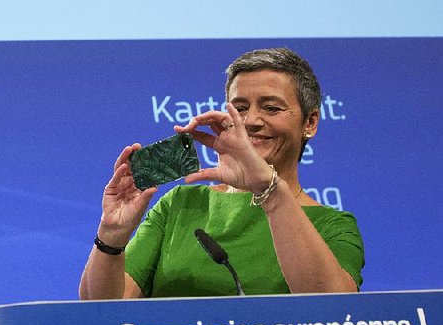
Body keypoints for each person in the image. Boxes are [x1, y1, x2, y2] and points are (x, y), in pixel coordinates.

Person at [79, 47, 364, 299]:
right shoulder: (180, 204)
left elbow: (335, 316)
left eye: (271, 108)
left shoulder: (332, 225)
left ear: (310, 122)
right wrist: (112, 234)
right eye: (239, 108)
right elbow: (100, 310)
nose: (251, 120)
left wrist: (269, 190)